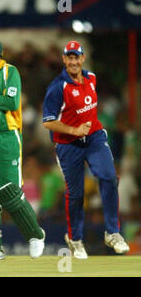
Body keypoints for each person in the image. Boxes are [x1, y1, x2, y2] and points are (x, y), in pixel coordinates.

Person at [42, 40, 130, 259]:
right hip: (67, 144)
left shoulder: (91, 78)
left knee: (109, 177)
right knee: (76, 193)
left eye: (76, 57)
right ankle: (75, 239)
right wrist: (74, 130)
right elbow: (48, 122)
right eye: (69, 57)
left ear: (82, 58)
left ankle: (112, 232)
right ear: (64, 60)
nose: (73, 61)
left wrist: (85, 129)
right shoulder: (57, 87)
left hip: (94, 138)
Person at [0, 37, 45, 260]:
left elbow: (11, 103)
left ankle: (35, 234)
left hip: (6, 136)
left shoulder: (9, 72)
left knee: (9, 191)